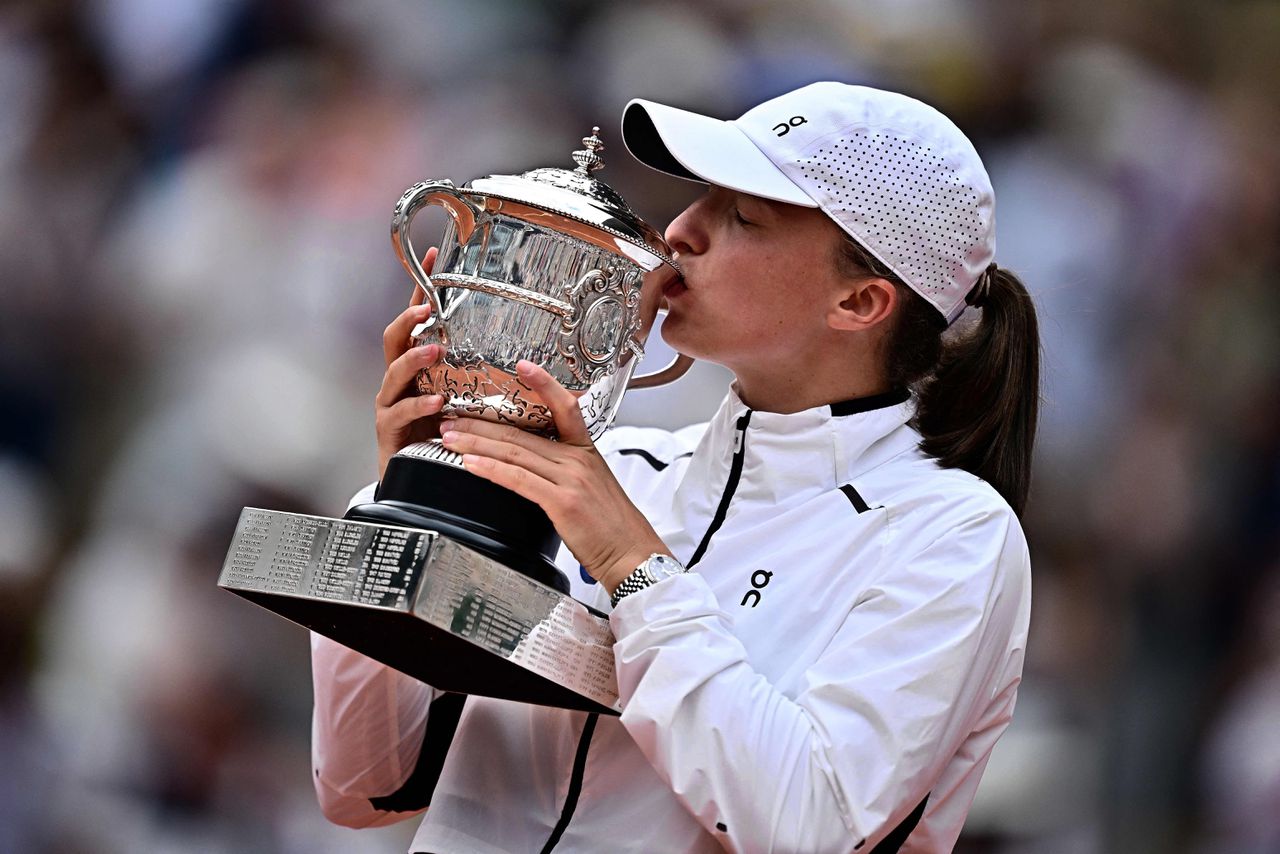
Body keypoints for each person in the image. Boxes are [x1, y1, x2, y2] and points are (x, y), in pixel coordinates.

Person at [311, 81, 1040, 853]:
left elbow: (812, 824)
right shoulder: (612, 469)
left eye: (743, 217)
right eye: (701, 200)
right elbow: (365, 786)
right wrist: (410, 507)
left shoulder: (953, 534)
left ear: (859, 303)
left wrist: (636, 570)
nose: (681, 231)